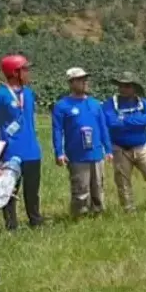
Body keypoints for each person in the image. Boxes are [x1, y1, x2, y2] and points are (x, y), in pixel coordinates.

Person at [0, 54, 43, 230]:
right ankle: (11, 224)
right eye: (25, 70)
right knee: (10, 188)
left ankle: (35, 219)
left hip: (32, 150)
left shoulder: (28, 93)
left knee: (32, 190)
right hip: (12, 152)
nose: (28, 74)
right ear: (14, 72)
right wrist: (4, 141)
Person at [52, 67, 112, 218]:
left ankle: (98, 213)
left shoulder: (95, 104)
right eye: (80, 80)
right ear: (71, 83)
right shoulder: (62, 106)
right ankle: (80, 217)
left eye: (86, 79)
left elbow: (103, 127)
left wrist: (108, 149)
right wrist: (59, 152)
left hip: (96, 154)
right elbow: (57, 130)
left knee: (98, 186)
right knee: (81, 188)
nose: (85, 82)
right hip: (77, 155)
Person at [103, 71, 146, 213]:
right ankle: (129, 210)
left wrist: (124, 120)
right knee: (122, 182)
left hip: (142, 147)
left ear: (134, 88)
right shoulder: (109, 104)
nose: (123, 88)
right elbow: (111, 122)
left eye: (127, 85)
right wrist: (137, 122)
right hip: (120, 148)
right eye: (121, 85)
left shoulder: (144, 104)